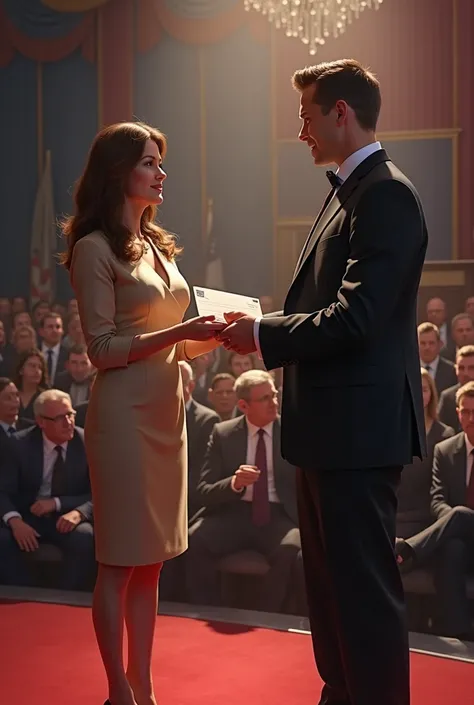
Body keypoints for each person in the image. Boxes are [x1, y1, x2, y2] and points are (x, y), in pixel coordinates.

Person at [218, 60, 427, 705]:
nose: (300, 129)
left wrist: (262, 334)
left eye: (307, 115)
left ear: (342, 113)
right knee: (332, 590)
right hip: (329, 436)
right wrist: (264, 322)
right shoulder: (350, 192)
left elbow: (357, 318)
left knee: (362, 594)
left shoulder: (385, 194)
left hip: (358, 439)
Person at [60, 121, 226, 705]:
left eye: (161, 161)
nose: (162, 172)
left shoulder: (158, 245)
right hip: (124, 418)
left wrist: (221, 336)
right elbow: (101, 351)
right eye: (150, 163)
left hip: (166, 413)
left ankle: (145, 687)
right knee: (119, 561)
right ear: (118, 172)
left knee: (152, 562)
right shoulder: (92, 248)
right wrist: (183, 329)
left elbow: (174, 342)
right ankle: (117, 693)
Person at [396, 368, 454, 540]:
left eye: (424, 389)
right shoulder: (394, 431)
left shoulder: (445, 435)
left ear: (432, 393)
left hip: (428, 517)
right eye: (413, 387)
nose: (418, 393)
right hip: (397, 515)